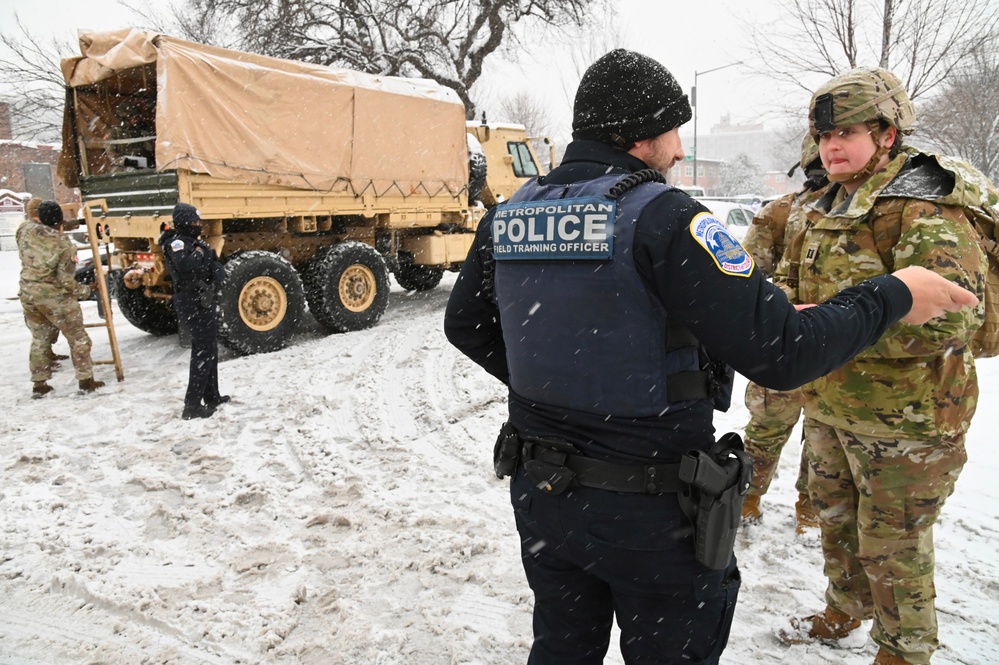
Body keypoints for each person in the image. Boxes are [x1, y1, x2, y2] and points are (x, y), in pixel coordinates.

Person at [443, 49, 978, 665]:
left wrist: (570, 381)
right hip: (648, 510)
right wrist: (894, 293)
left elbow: (468, 325)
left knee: (563, 645)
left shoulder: (512, 213)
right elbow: (782, 353)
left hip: (543, 496)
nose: (678, 149)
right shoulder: (665, 217)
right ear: (644, 134)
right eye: (674, 129)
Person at [772, 67, 989, 665]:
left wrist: (829, 322)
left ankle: (902, 650)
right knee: (838, 526)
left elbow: (954, 318)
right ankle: (845, 609)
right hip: (830, 404)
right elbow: (791, 289)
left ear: (888, 133)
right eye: (823, 137)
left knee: (892, 549)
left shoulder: (923, 203)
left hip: (909, 423)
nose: (831, 147)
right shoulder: (821, 202)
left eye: (846, 133)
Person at [739, 138, 828, 531]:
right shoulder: (780, 211)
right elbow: (745, 275)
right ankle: (747, 500)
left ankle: (810, 510)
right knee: (769, 430)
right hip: (787, 342)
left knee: (824, 436)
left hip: (834, 344)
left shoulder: (867, 214)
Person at [17, 200, 104, 397]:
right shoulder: (64, 244)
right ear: (59, 221)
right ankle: (85, 380)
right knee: (78, 338)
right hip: (53, 297)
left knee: (40, 339)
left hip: (28, 293)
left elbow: (42, 229)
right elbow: (66, 282)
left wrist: (68, 224)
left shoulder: (25, 230)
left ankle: (39, 384)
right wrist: (87, 290)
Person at [159, 203, 229, 420]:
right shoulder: (177, 242)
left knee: (210, 349)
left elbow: (213, 262)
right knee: (202, 351)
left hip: (203, 299)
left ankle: (212, 396)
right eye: (193, 222)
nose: (198, 226)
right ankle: (192, 405)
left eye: (199, 222)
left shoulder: (194, 243)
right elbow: (186, 265)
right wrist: (201, 255)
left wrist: (215, 267)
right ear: (182, 223)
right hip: (191, 299)